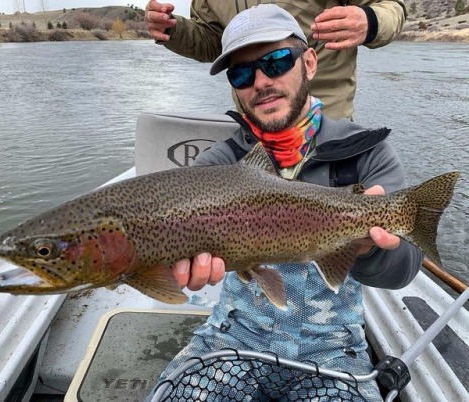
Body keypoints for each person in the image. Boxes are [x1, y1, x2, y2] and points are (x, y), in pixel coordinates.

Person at [147, 5, 422, 400]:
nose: (260, 81)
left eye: (276, 62)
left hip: (334, 353)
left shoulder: (367, 154)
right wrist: (168, 264)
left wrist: (366, 249)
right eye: (242, 73)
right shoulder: (218, 165)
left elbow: (404, 270)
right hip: (232, 341)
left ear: (309, 62)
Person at [144, 0, 407, 120]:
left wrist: (370, 21)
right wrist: (173, 30)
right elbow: (215, 42)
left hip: (327, 121)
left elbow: (392, 8)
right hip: (257, 121)